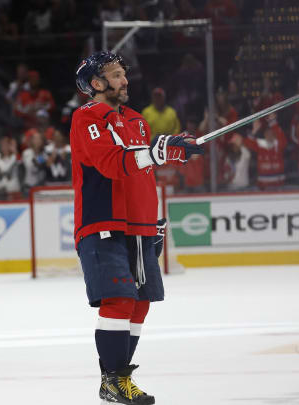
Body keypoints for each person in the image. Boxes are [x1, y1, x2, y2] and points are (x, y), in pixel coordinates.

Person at [71, 51, 203, 404]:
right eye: (115, 75)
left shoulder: (135, 120)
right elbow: (112, 163)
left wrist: (175, 150)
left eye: (123, 74)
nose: (124, 80)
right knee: (119, 298)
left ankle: (118, 381)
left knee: (140, 303)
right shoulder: (87, 118)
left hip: (139, 225)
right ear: (96, 84)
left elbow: (141, 168)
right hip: (104, 221)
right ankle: (113, 379)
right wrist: (158, 153)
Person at [243, 114, 287, 189]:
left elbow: (282, 139)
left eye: (271, 134)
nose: (269, 135)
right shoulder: (260, 145)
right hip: (263, 186)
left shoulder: (278, 145)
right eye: (267, 134)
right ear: (264, 135)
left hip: (279, 186)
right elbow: (247, 143)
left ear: (274, 135)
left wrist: (273, 122)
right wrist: (254, 130)